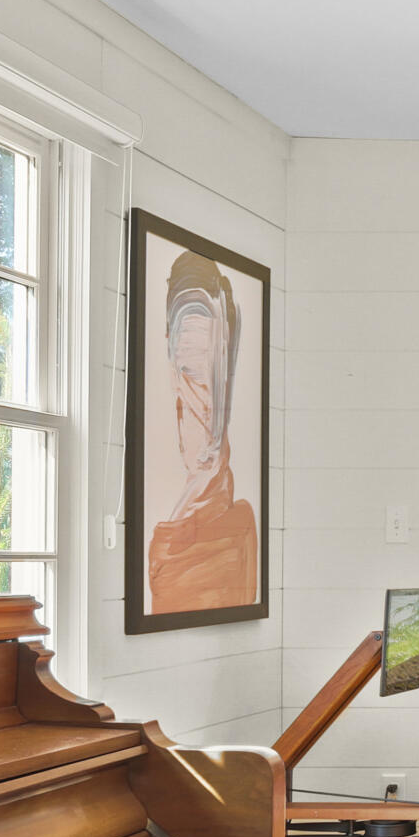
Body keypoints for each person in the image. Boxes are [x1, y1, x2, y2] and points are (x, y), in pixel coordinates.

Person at [145, 246, 259, 613]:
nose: (205, 408)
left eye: (213, 378)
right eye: (191, 377)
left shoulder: (240, 526)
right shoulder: (171, 547)